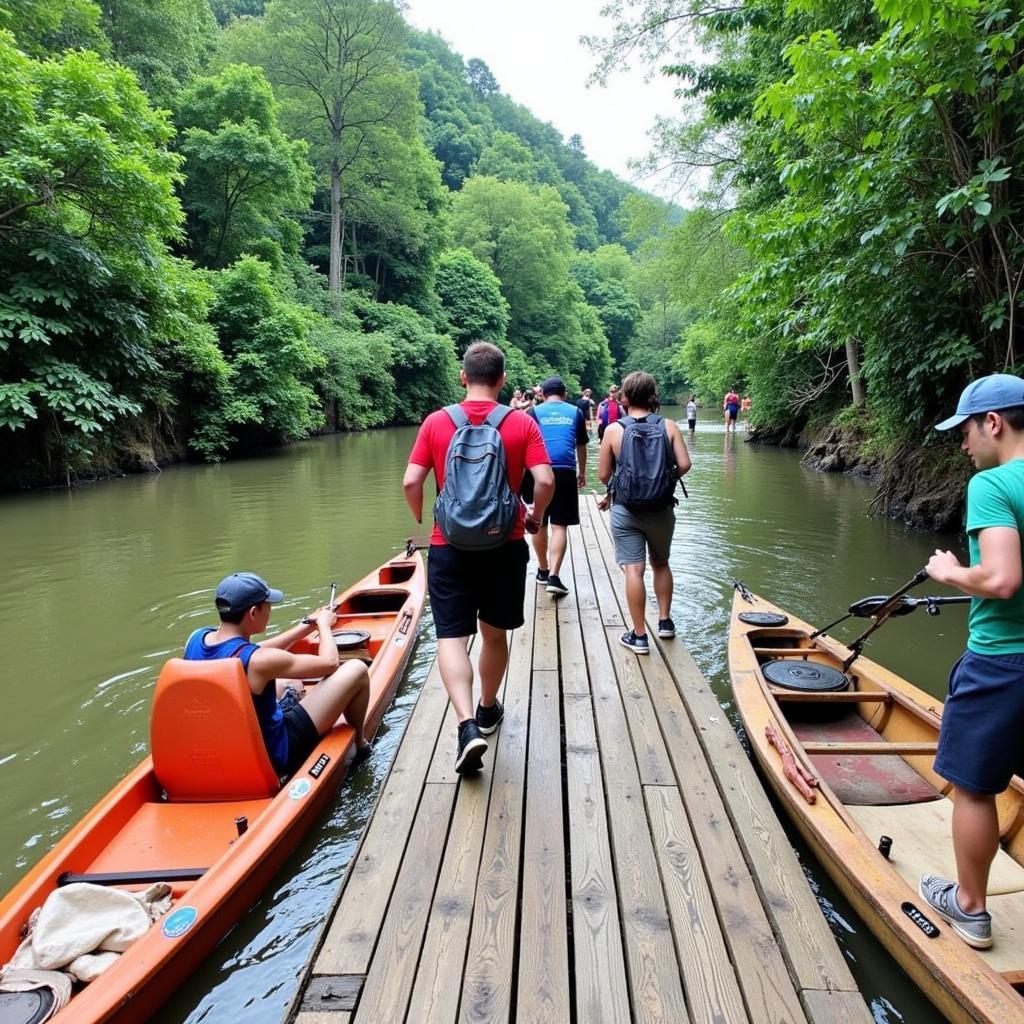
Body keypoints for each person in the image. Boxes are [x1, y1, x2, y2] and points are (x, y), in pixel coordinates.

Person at [403, 342, 554, 774]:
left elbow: (412, 480)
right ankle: (488, 708)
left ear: (463, 377)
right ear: (503, 380)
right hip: (503, 545)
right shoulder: (520, 422)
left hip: (448, 546)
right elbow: (543, 479)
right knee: (493, 634)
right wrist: (534, 517)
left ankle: (466, 723)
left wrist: (421, 517)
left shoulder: (436, 422)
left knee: (451, 637)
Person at [919, 373, 1024, 950]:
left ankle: (970, 907)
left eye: (965, 431)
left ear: (993, 423)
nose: (962, 445)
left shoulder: (993, 483)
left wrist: (950, 572)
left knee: (975, 787)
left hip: (1002, 662)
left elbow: (1002, 580)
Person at [184, 572, 372, 777]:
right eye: (268, 606)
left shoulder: (196, 638)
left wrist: (304, 628)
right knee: (357, 669)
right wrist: (325, 626)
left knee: (289, 682)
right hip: (275, 752)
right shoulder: (258, 661)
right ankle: (360, 744)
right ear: (254, 612)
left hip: (230, 745)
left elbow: (250, 650)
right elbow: (329, 664)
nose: (270, 610)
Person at [598, 371, 691, 655]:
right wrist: (663, 479)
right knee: (661, 563)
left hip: (626, 510)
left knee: (634, 570)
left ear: (624, 397)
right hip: (661, 509)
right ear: (653, 395)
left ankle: (639, 636)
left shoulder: (614, 430)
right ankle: (664, 622)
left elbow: (603, 474)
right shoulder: (669, 426)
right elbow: (685, 464)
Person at [524, 376, 588, 597]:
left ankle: (543, 570)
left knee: (538, 522)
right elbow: (580, 445)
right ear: (565, 394)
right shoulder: (576, 412)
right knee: (560, 526)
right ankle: (554, 576)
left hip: (537, 472)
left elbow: (525, 445)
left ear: (542, 394)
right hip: (565, 472)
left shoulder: (533, 412)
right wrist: (582, 472)